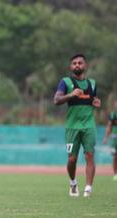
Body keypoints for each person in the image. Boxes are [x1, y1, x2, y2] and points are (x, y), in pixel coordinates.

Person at [54, 54, 101, 197]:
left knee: (89, 155)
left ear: (85, 65)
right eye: (74, 63)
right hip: (72, 126)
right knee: (72, 159)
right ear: (70, 66)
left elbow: (93, 100)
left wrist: (96, 103)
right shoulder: (65, 82)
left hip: (89, 126)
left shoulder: (92, 83)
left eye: (80, 63)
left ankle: (88, 188)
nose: (77, 65)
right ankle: (73, 182)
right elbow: (56, 100)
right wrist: (71, 95)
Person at [102, 100, 117, 181]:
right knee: (115, 156)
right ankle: (115, 174)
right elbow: (109, 126)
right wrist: (106, 137)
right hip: (115, 139)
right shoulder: (113, 115)